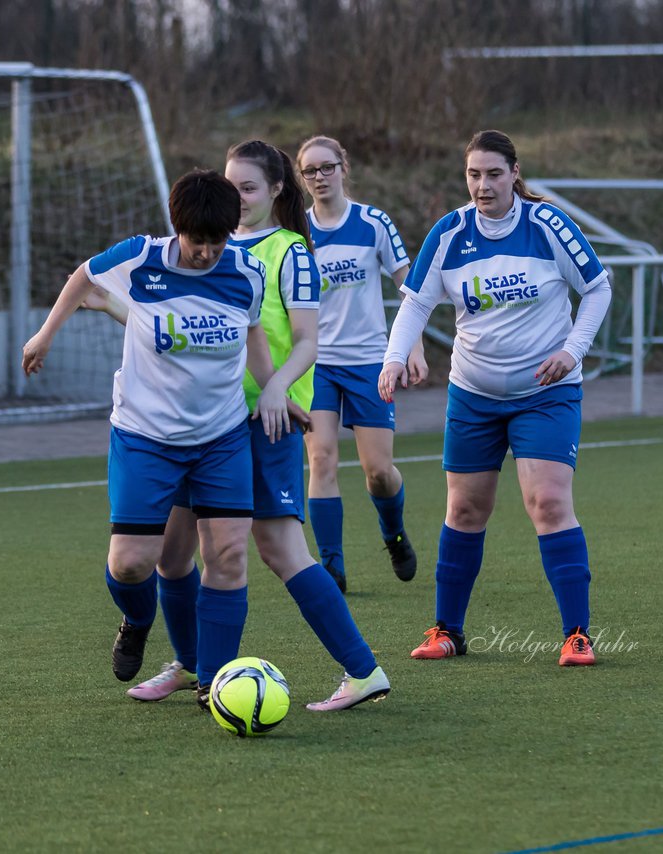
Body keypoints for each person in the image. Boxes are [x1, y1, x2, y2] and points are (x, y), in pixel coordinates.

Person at [102, 141, 390, 712]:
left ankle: (362, 670)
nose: (236, 200)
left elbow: (308, 340)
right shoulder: (204, 247)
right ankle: (192, 666)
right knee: (172, 554)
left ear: (278, 190)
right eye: (230, 187)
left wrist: (279, 388)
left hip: (264, 421)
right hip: (195, 426)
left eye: (249, 188)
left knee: (277, 550)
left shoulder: (289, 252)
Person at [22, 169, 289, 690]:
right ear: (177, 226)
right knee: (131, 565)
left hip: (222, 437)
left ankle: (212, 682)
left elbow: (252, 332)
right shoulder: (140, 259)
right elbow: (84, 276)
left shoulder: (247, 273)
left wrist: (273, 387)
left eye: (218, 241)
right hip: (146, 437)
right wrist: (45, 334)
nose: (208, 252)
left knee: (229, 555)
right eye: (198, 241)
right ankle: (138, 621)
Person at [380, 129, 612, 666]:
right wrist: (396, 356)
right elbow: (415, 303)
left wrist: (573, 351)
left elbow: (597, 287)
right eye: (473, 175)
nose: (482, 185)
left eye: (492, 173)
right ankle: (447, 631)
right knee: (463, 508)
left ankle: (577, 635)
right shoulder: (450, 232)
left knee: (549, 504)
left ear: (514, 173)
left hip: (544, 394)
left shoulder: (547, 224)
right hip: (474, 395)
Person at [295, 135, 427, 594]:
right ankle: (332, 567)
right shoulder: (296, 232)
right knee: (322, 460)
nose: (319, 177)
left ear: (343, 167)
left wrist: (412, 347)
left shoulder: (373, 223)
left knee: (379, 472)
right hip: (318, 365)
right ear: (301, 177)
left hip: (370, 362)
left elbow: (409, 286)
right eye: (310, 170)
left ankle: (393, 533)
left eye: (326, 167)